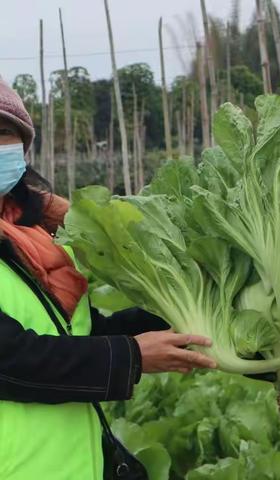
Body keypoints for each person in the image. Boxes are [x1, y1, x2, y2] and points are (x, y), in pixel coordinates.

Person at [0, 78, 216, 479]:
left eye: (3, 131)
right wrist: (132, 356)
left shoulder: (34, 242)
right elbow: (10, 361)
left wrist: (185, 305)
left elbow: (83, 336)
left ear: (23, 146)